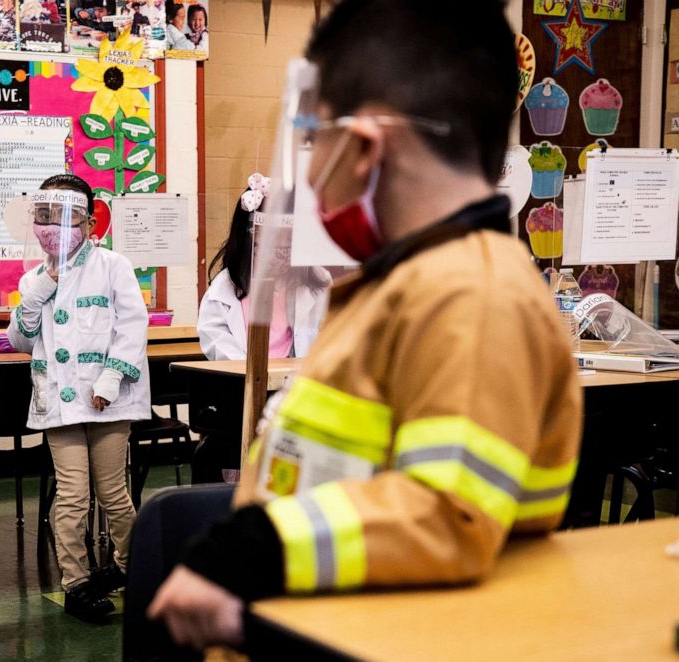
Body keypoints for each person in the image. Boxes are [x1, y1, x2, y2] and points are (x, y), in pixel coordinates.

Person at [148, 0, 583, 651]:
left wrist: (255, 549)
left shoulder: (473, 294)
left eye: (316, 137)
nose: (312, 168)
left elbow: (447, 515)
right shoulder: (401, 284)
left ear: (365, 143)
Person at [7, 174, 151, 623]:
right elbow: (20, 338)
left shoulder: (114, 266)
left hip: (110, 401)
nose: (53, 227)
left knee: (113, 493)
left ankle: (132, 568)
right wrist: (43, 286)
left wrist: (110, 381)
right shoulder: (33, 278)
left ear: (89, 223)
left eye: (66, 218)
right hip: (61, 403)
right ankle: (76, 582)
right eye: (44, 216)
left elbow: (132, 327)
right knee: (71, 497)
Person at [198, 173, 330, 361]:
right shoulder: (225, 287)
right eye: (267, 235)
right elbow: (214, 335)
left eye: (288, 236)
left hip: (298, 382)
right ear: (247, 236)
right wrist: (248, 372)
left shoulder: (315, 281)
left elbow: (330, 335)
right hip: (244, 381)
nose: (279, 245)